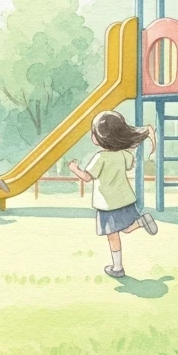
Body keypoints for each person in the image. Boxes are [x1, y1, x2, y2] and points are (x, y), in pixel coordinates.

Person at [68, 111, 158, 278]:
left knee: (113, 235)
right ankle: (140, 222)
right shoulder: (123, 154)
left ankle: (117, 267)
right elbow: (130, 165)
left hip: (107, 203)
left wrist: (74, 169)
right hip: (125, 200)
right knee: (125, 228)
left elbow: (87, 177)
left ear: (102, 137)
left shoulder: (100, 157)